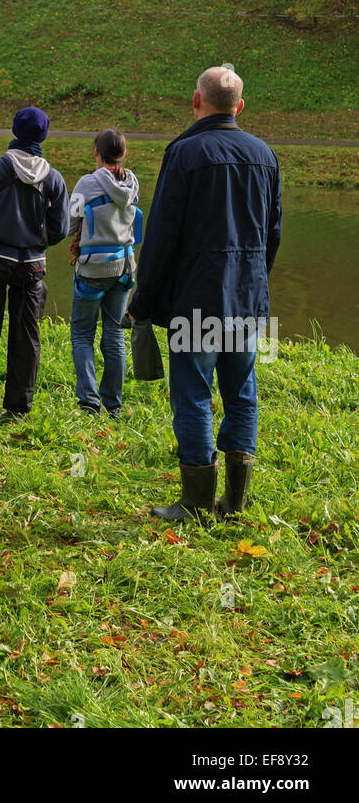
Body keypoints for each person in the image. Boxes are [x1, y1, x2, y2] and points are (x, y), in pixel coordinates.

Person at [128, 66, 282, 522]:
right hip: (246, 297)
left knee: (193, 394)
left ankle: (195, 503)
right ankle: (233, 503)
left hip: (197, 297)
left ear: (196, 102)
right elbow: (273, 233)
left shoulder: (185, 153)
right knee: (242, 393)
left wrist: (143, 301)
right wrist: (255, 281)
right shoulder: (265, 154)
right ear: (240, 107)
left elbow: (161, 236)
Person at [0, 106, 70, 419]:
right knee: (26, 335)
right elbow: (61, 228)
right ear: (44, 135)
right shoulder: (54, 178)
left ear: (14, 131)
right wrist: (39, 240)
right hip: (33, 266)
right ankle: (18, 407)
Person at [69, 129, 140, 419]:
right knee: (114, 334)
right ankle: (114, 404)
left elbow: (69, 219)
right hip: (125, 266)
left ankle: (88, 402)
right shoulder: (133, 181)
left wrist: (77, 235)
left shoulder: (86, 183)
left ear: (96, 152)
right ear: (123, 154)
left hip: (93, 267)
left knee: (82, 333)